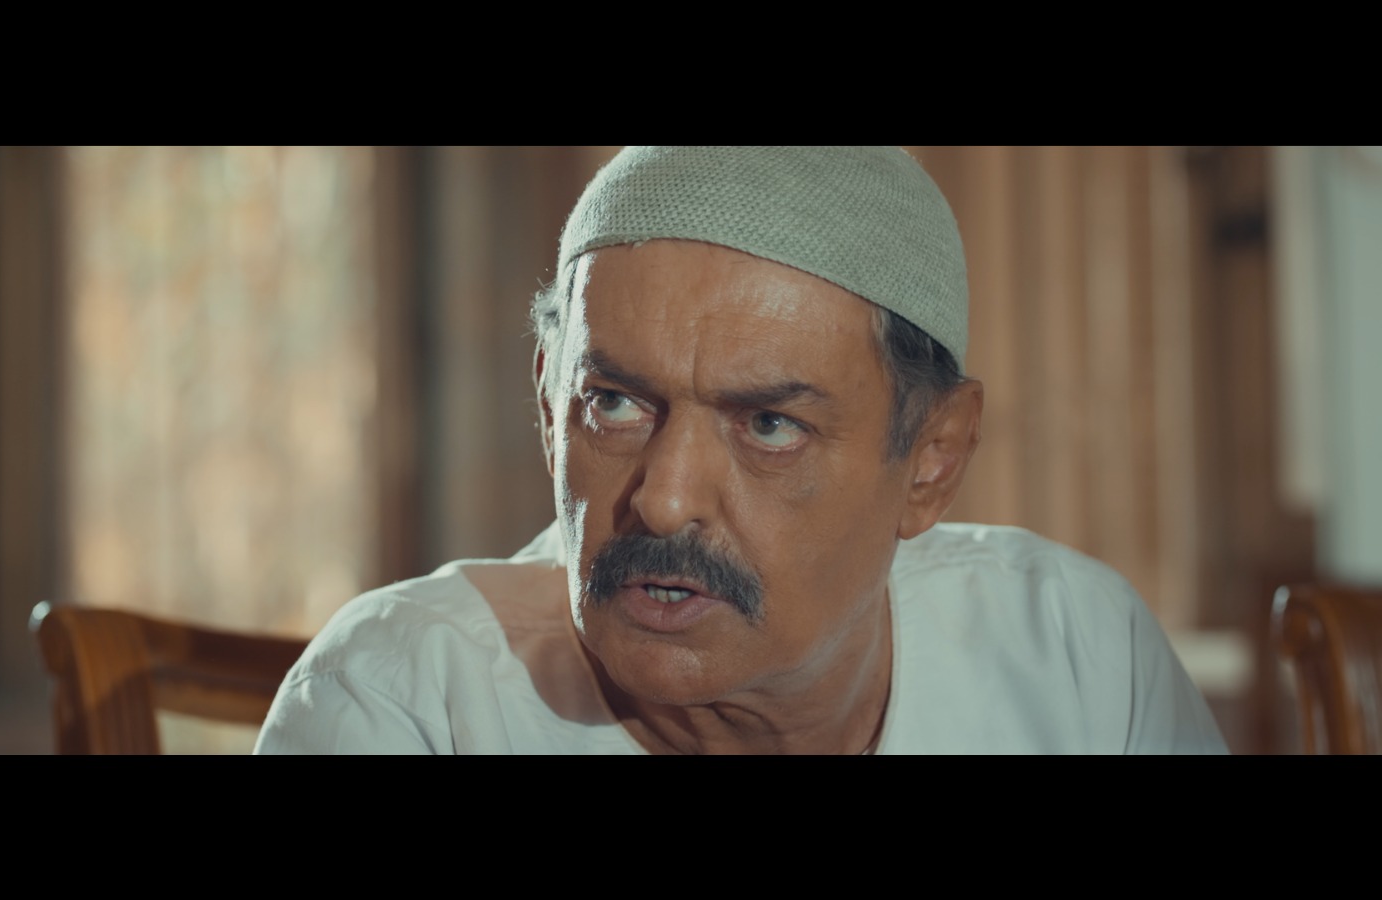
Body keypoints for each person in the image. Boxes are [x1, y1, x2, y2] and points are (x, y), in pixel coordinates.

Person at [254, 146, 1228, 754]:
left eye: (768, 426)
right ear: (549, 403)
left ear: (932, 458)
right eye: (614, 403)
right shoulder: (407, 705)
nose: (664, 499)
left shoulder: (1073, 654)